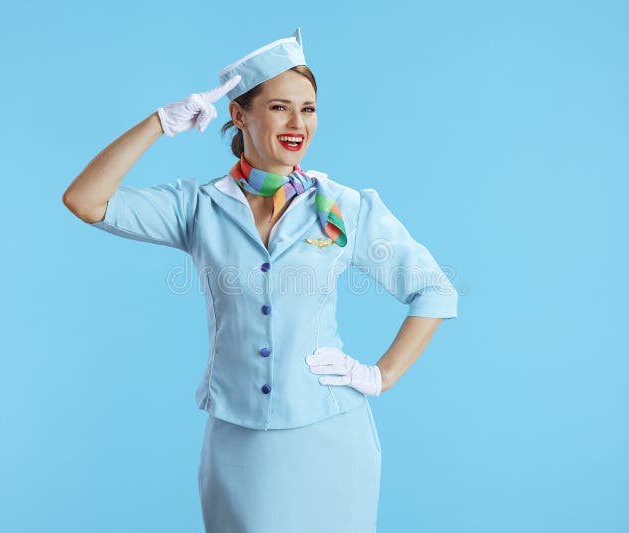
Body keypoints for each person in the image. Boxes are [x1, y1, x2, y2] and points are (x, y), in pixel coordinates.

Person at [62, 27, 458, 533]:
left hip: (333, 437)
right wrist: (159, 123)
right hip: (237, 443)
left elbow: (434, 288)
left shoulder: (343, 208)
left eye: (309, 108)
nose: (298, 123)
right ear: (238, 114)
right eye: (279, 108)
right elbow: (86, 200)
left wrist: (380, 375)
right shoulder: (197, 208)